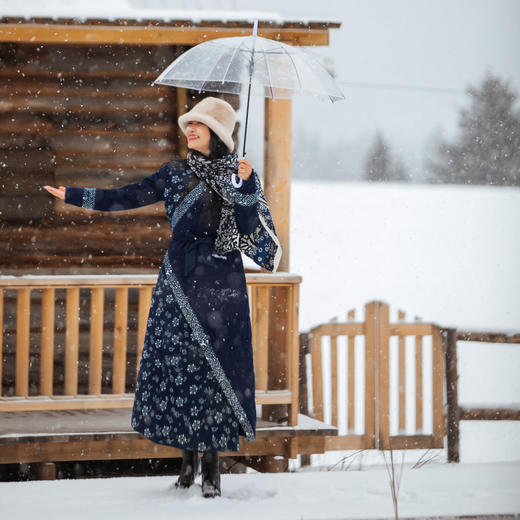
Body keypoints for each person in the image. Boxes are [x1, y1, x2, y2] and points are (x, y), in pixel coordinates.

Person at [43, 96, 281, 498]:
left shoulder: (238, 175)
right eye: (189, 124)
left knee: (214, 374)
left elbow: (250, 234)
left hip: (222, 284)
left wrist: (245, 188)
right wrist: (76, 195)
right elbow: (126, 196)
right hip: (178, 282)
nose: (190, 130)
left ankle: (212, 471)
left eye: (199, 126)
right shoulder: (173, 173)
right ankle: (187, 463)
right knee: (181, 368)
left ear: (218, 136)